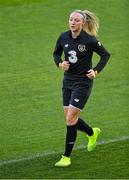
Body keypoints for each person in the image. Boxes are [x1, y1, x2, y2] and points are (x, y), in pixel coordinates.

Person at [53, 9, 110, 167]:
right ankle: (92, 133)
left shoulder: (90, 40)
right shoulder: (63, 37)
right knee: (70, 118)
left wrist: (96, 70)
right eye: (71, 19)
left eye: (76, 20)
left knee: (70, 119)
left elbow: (106, 55)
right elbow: (56, 53)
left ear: (83, 23)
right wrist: (60, 63)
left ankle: (66, 157)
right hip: (68, 81)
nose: (73, 22)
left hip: (83, 83)